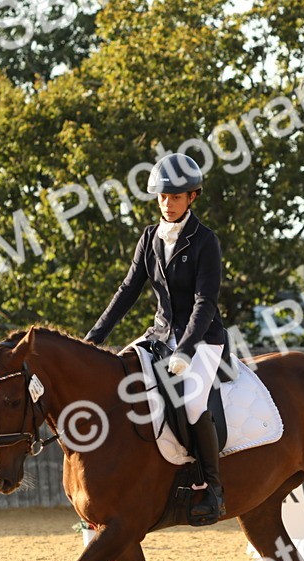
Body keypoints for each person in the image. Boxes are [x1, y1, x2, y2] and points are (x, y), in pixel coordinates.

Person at [84, 153, 228, 524]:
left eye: (176, 197)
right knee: (122, 380)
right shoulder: (149, 237)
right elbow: (127, 292)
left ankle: (212, 488)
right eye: (162, 197)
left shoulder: (205, 241)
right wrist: (93, 339)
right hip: (160, 334)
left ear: (192, 197)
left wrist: (186, 349)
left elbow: (204, 302)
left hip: (203, 338)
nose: (167, 203)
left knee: (193, 403)